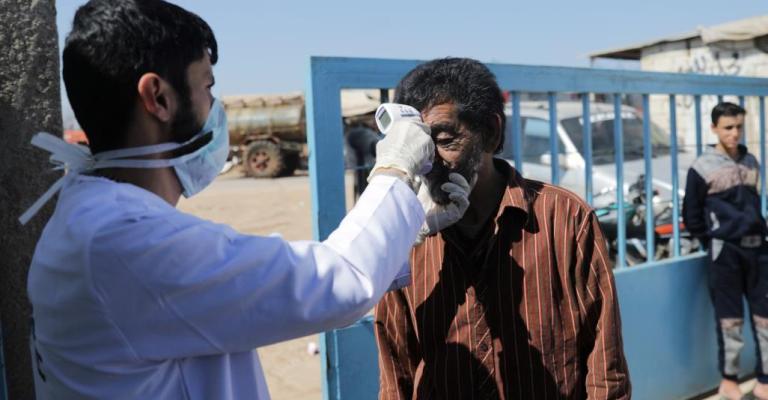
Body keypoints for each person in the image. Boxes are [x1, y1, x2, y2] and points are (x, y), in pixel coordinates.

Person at [19, 1, 472, 399]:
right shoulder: (126, 242)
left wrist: (410, 224)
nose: (216, 107)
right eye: (207, 86)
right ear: (158, 97)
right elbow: (337, 282)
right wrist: (395, 171)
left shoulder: (89, 219)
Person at [374, 57, 631, 400]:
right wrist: (404, 229)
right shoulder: (406, 232)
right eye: (416, 147)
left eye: (445, 140)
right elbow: (396, 368)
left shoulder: (565, 218)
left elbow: (605, 362)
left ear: (492, 133)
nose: (427, 162)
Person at [683, 102, 768, 400]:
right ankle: (729, 380)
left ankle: (764, 380)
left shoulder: (751, 161)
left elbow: (754, 203)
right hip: (725, 253)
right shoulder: (701, 167)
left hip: (758, 250)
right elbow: (691, 214)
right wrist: (713, 241)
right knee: (730, 320)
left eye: (738, 127)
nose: (734, 133)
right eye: (728, 128)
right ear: (714, 128)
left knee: (765, 317)